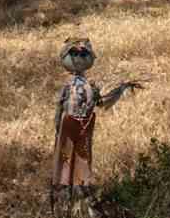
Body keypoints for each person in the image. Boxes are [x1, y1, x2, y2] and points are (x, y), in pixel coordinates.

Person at [50, 38, 140, 209]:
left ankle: (80, 196)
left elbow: (102, 103)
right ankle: (65, 199)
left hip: (84, 124)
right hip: (69, 124)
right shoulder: (69, 86)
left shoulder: (91, 87)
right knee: (66, 161)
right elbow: (59, 107)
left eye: (82, 54)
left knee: (81, 160)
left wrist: (120, 89)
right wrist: (57, 128)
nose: (78, 58)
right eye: (74, 53)